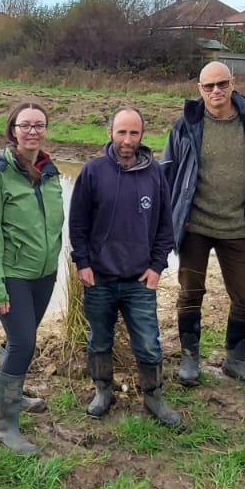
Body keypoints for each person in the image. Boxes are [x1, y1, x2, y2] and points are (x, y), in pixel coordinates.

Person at [162, 60, 245, 389]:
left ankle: (236, 360)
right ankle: (190, 356)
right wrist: (162, 220)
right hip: (195, 225)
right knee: (190, 293)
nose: (216, 91)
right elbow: (167, 174)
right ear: (199, 89)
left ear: (233, 83)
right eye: (208, 86)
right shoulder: (185, 125)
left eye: (222, 84)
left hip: (239, 226)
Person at [70, 107, 181, 427]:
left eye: (133, 133)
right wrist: (83, 263)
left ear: (142, 135)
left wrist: (158, 266)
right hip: (99, 279)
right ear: (110, 133)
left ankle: (154, 396)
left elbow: (165, 224)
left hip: (139, 279)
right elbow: (78, 223)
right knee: (99, 340)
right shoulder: (92, 171)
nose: (127, 139)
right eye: (121, 132)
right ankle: (103, 391)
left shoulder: (155, 173)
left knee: (148, 341)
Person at [0, 101, 63, 455]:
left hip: (44, 274)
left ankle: (13, 392)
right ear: (13, 130)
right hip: (12, 275)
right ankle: (5, 423)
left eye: (38, 125)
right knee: (24, 342)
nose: (32, 132)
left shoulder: (51, 171)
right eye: (25, 125)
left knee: (19, 339)